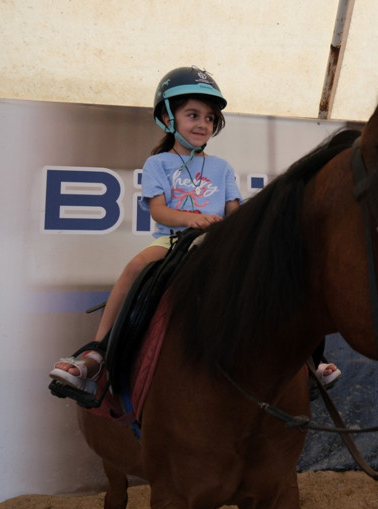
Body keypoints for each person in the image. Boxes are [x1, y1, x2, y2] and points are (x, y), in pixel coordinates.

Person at [48, 66, 241, 399]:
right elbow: (159, 211)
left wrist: (233, 229)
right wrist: (191, 219)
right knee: (136, 267)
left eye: (209, 118)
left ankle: (311, 365)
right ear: (168, 119)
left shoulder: (222, 167)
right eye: (192, 114)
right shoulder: (159, 164)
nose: (202, 124)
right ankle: (97, 354)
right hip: (173, 242)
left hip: (219, 245)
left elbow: (234, 213)